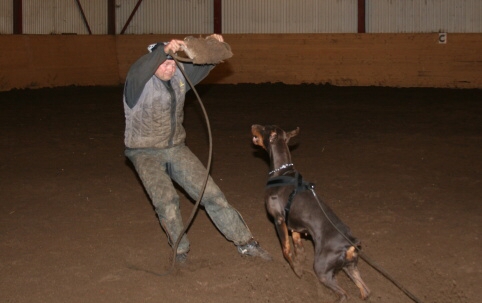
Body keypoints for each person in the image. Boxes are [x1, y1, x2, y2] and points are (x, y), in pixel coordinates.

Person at [123, 34, 271, 263]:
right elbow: (142, 66)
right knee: (166, 201)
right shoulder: (137, 81)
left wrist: (212, 45)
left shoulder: (179, 77)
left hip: (175, 148)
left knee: (211, 194)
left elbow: (208, 63)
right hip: (143, 152)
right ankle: (180, 251)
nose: (169, 67)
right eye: (163, 62)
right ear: (153, 61)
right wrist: (164, 50)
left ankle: (245, 242)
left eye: (173, 62)